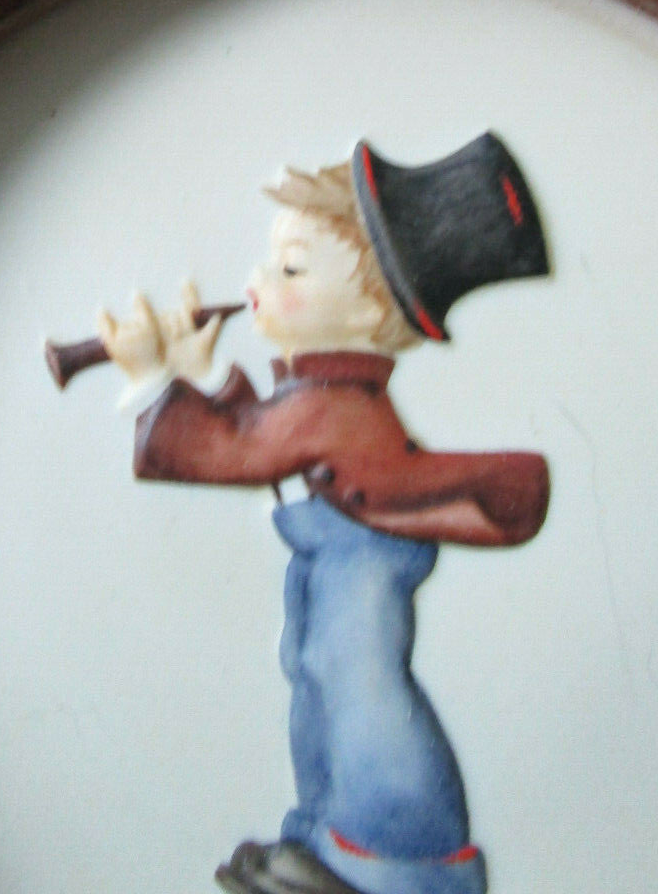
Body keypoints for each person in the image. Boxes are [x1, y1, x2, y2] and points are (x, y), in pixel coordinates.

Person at [96, 134, 550, 894]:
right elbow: (267, 430)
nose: (256, 281)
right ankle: (324, 837)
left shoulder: (335, 402)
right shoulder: (325, 391)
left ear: (369, 308)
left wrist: (151, 380)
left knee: (358, 690)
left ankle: (398, 852)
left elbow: (242, 450)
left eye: (290, 269)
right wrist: (208, 373)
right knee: (314, 676)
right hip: (335, 554)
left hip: (358, 561)